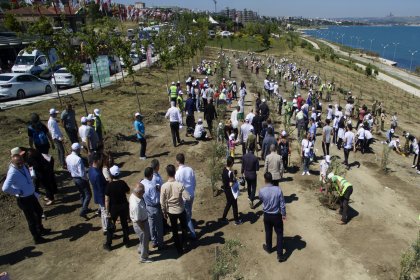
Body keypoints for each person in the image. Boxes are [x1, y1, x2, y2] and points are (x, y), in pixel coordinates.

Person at [2, 147, 51, 244]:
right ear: (13, 162)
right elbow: (5, 188)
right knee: (31, 219)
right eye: (18, 163)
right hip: (24, 199)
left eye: (21, 161)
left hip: (31, 195)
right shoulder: (12, 172)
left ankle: (40, 229)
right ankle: (37, 238)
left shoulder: (22, 165)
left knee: (39, 211)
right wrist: (17, 191)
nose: (20, 164)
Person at [160, 164, 191, 256]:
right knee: (184, 228)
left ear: (167, 173)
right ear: (174, 173)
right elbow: (188, 197)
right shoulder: (179, 185)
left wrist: (164, 212)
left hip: (171, 211)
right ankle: (184, 244)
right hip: (180, 209)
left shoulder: (164, 186)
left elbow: (162, 202)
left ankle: (179, 249)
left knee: (174, 230)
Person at [259, 172, 287, 262]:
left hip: (267, 215)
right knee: (279, 234)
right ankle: (280, 255)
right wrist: (283, 214)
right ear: (272, 179)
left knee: (268, 231)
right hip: (276, 215)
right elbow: (282, 204)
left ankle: (269, 248)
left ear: (265, 180)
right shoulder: (278, 190)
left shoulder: (262, 190)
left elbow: (261, 199)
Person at [104, 165, 130, 251]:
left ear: (111, 174)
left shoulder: (109, 186)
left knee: (111, 226)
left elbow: (107, 200)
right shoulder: (122, 183)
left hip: (113, 208)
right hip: (123, 206)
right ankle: (126, 241)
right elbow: (128, 191)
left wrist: (107, 211)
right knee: (124, 224)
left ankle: (108, 244)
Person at [66, 143, 92, 219]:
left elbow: (69, 169)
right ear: (77, 149)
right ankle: (83, 210)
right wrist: (86, 179)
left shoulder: (68, 157)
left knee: (82, 193)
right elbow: (82, 173)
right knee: (88, 194)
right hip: (81, 178)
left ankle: (85, 208)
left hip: (74, 178)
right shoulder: (78, 159)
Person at [175, 153, 197, 240]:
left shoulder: (178, 173)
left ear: (177, 161)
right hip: (191, 194)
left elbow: (177, 186)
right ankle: (189, 230)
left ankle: (193, 234)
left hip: (184, 197)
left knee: (187, 217)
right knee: (189, 213)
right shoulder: (190, 169)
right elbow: (194, 182)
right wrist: (192, 190)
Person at [141, 167, 164, 250]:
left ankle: (154, 241)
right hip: (155, 207)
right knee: (159, 226)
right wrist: (158, 191)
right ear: (151, 175)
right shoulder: (151, 186)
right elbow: (155, 200)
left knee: (151, 225)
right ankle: (161, 244)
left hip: (147, 207)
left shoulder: (142, 182)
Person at [129, 183, 152, 263]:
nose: (144, 193)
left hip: (142, 222)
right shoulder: (135, 205)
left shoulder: (134, 196)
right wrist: (143, 229)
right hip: (140, 224)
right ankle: (144, 257)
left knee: (143, 239)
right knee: (145, 240)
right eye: (143, 191)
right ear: (139, 193)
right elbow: (138, 220)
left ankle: (141, 250)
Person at [88, 152, 108, 233]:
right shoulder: (97, 174)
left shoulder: (91, 170)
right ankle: (106, 229)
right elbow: (101, 190)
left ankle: (105, 227)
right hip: (102, 197)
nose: (101, 161)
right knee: (105, 213)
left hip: (97, 195)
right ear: (96, 160)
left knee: (103, 213)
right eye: (100, 159)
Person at [221, 156, 242, 225]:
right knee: (234, 205)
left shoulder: (224, 169)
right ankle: (236, 220)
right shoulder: (230, 173)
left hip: (226, 190)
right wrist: (234, 180)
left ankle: (224, 218)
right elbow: (230, 184)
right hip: (230, 191)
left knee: (229, 204)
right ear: (232, 163)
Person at [241, 143, 259, 208]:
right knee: (254, 187)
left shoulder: (244, 156)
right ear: (254, 149)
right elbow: (257, 168)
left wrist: (242, 173)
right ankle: (251, 199)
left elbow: (242, 167)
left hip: (246, 174)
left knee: (248, 185)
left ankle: (249, 196)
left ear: (248, 149)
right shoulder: (255, 158)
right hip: (253, 174)